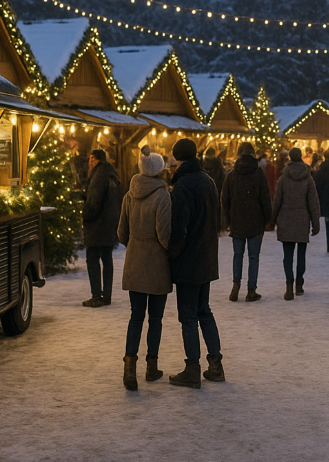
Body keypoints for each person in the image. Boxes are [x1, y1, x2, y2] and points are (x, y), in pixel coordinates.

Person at [166, 138, 224, 388]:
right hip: (207, 257)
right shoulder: (208, 181)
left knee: (188, 315)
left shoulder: (182, 186)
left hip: (189, 260)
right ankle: (215, 364)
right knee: (204, 310)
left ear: (176, 158)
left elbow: (179, 227)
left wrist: (172, 254)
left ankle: (192, 368)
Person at [117, 146, 171, 390]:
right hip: (157, 263)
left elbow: (121, 232)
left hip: (135, 261)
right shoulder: (162, 195)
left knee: (136, 316)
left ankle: (129, 367)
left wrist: (135, 244)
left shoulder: (129, 195)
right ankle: (151, 366)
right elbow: (164, 233)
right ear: (159, 170)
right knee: (155, 318)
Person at [221, 142, 272, 302]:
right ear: (253, 154)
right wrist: (267, 218)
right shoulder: (258, 174)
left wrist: (229, 218)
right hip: (255, 221)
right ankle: (251, 290)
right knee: (253, 257)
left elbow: (225, 199)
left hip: (237, 220)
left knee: (238, 255)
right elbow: (265, 198)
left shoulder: (232, 174)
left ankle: (236, 285)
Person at [272, 147, 321, 300]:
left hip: (286, 218)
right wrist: (315, 222)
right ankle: (299, 284)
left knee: (287, 255)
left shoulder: (283, 178)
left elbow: (277, 200)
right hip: (302, 219)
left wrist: (272, 219)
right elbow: (313, 202)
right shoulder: (308, 178)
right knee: (301, 254)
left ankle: (289, 285)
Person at [81, 148, 121, 308]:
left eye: (91, 159)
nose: (89, 162)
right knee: (106, 258)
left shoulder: (98, 176)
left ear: (97, 160)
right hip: (109, 224)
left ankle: (97, 295)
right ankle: (107, 295)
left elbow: (94, 202)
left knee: (92, 259)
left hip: (98, 225)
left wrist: (85, 217)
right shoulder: (110, 174)